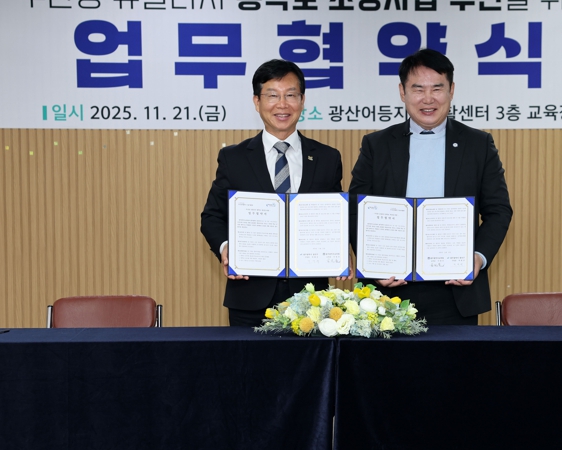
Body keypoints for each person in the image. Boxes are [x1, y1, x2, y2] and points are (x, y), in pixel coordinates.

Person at [349, 49, 512, 325]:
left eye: (437, 88)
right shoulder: (377, 145)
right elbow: (355, 209)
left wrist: (477, 258)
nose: (428, 99)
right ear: (402, 92)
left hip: (455, 291)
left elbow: (498, 211)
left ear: (451, 90)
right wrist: (372, 263)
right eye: (418, 89)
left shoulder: (478, 144)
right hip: (388, 291)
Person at [201, 59, 349, 327]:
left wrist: (341, 247)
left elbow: (333, 217)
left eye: (291, 95)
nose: (282, 104)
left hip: (312, 300)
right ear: (257, 102)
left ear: (302, 100)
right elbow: (212, 216)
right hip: (250, 296)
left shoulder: (327, 158)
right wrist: (226, 248)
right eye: (272, 95)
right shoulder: (234, 158)